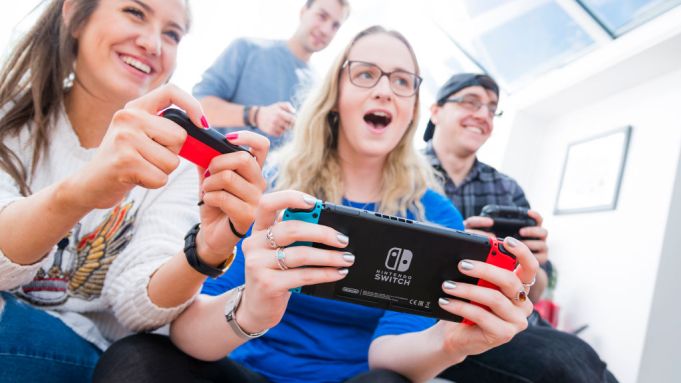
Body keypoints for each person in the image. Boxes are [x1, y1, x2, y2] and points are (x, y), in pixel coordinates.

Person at [94, 25, 538, 383]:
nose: (385, 91)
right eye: (366, 74)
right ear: (334, 96)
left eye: (402, 82)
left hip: (354, 379)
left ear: (413, 109)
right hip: (237, 368)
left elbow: (388, 357)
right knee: (137, 361)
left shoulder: (436, 216)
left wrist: (450, 342)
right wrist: (252, 304)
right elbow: (190, 336)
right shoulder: (267, 187)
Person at [0, 1, 268, 382]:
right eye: (135, 12)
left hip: (95, 356)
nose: (153, 43)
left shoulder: (174, 168)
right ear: (75, 14)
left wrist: (204, 252)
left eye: (172, 33)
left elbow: (136, 306)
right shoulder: (10, 121)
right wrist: (81, 191)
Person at [424, 73, 618, 382]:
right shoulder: (401, 176)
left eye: (491, 108)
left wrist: (531, 263)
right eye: (471, 102)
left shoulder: (505, 188)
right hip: (438, 321)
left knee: (593, 366)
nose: (483, 115)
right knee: (567, 364)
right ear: (435, 111)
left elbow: (535, 290)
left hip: (509, 318)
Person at [192, 0, 350, 150]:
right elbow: (198, 107)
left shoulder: (320, 90)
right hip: (216, 171)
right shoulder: (247, 49)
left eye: (335, 25)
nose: (326, 30)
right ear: (303, 11)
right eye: (322, 16)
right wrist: (256, 115)